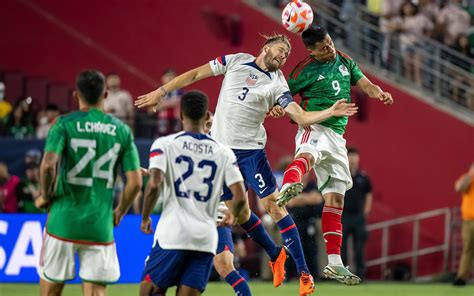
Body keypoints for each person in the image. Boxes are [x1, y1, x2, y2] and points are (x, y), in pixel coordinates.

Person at [135, 33, 358, 295]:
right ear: (265, 47)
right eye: (279, 50)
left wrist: (330, 112)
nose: (283, 57)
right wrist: (161, 92)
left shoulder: (278, 84)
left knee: (274, 207)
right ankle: (276, 253)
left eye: (286, 55)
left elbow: (299, 116)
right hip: (221, 154)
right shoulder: (236, 61)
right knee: (239, 214)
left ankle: (304, 274)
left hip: (251, 153)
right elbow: (196, 74)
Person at [276, 26, 393, 285]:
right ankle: (288, 185)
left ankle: (334, 264)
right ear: (310, 50)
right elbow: (282, 94)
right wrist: (276, 107)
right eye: (323, 47)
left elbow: (366, 84)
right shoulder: (303, 70)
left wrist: (379, 93)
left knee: (336, 199)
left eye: (329, 42)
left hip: (338, 138)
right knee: (307, 154)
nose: (329, 48)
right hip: (315, 125)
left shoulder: (345, 60)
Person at [35, 70, 142, 296]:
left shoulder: (63, 124)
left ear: (76, 95)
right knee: (95, 293)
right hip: (99, 225)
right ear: (105, 94)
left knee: (50, 291)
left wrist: (45, 195)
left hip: (62, 222)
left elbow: (47, 165)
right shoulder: (121, 130)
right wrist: (120, 211)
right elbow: (134, 181)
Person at [139, 91, 247, 296]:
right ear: (207, 116)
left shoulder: (165, 144)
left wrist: (145, 217)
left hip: (173, 233)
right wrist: (233, 215)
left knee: (150, 290)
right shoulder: (223, 152)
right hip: (205, 238)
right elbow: (240, 195)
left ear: (181, 116)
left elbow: (154, 184)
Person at [341, 147, 372, 279]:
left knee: (359, 246)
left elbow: (369, 195)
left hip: (358, 216)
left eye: (354, 156)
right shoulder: (341, 176)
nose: (352, 159)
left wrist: (366, 211)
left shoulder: (363, 178)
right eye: (350, 156)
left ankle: (360, 274)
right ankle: (342, 274)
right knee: (342, 247)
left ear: (358, 158)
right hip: (344, 216)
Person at [453, 163, 474, 286]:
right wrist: (470, 176)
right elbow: (459, 188)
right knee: (467, 248)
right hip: (468, 221)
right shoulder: (466, 178)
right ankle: (462, 277)